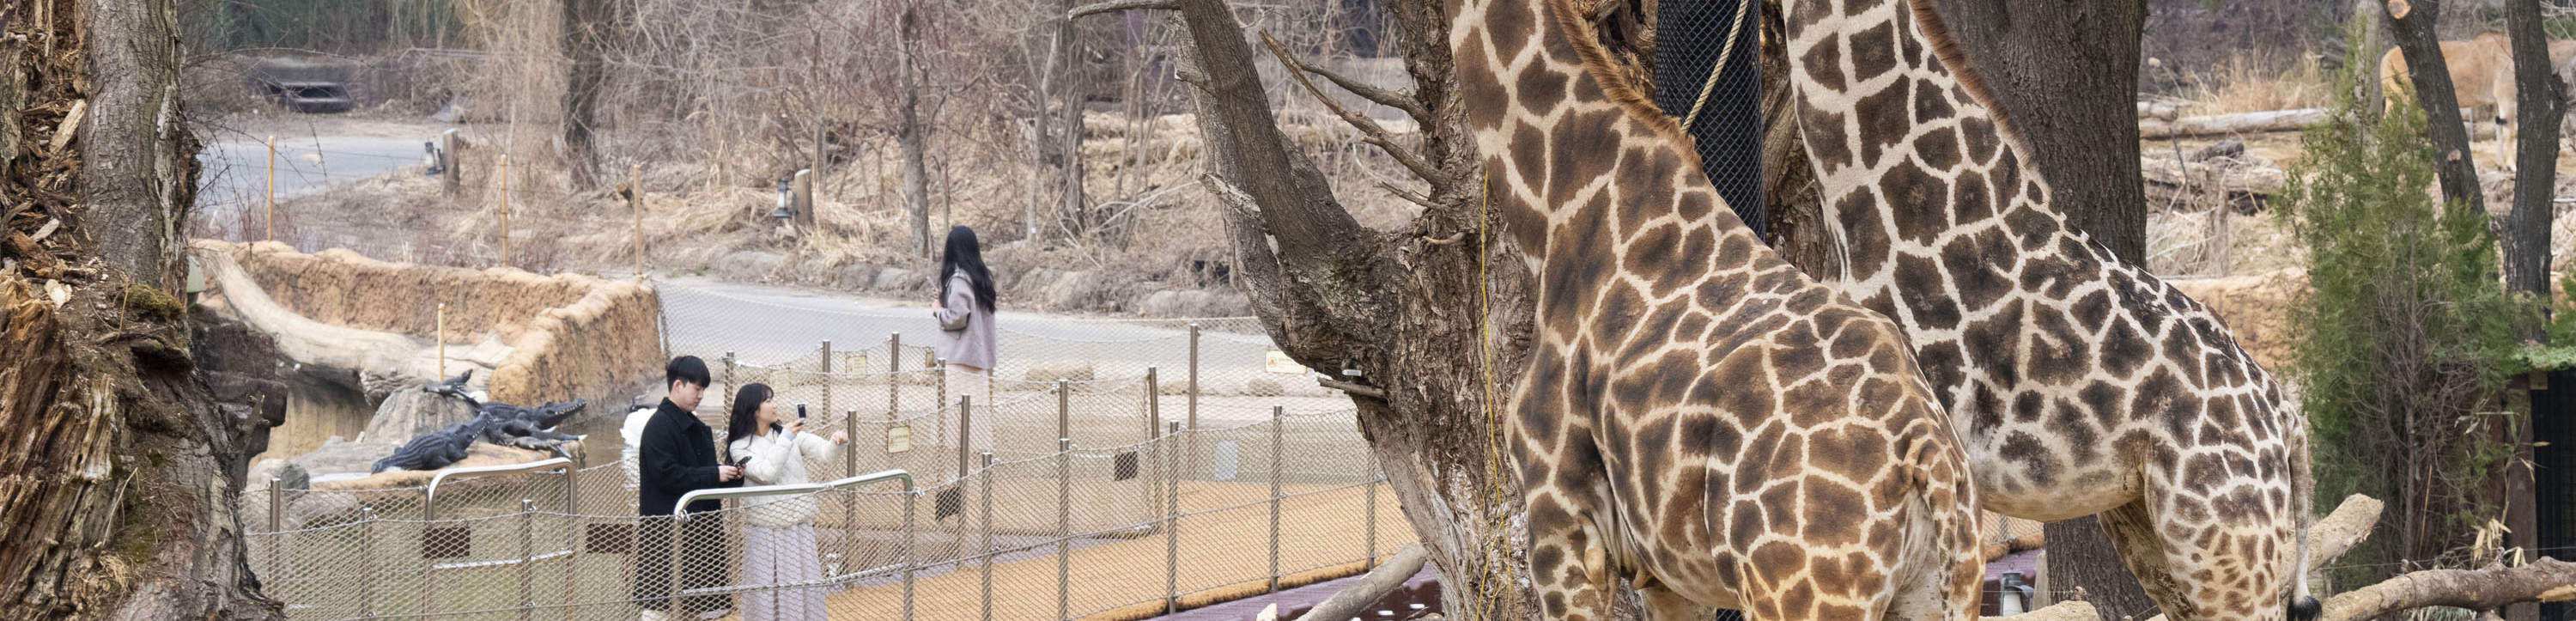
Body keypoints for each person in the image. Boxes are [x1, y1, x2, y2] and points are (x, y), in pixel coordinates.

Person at [722, 384, 849, 621]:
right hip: (766, 531)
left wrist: (837, 442)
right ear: (754, 410)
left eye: (773, 399)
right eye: (768, 401)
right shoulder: (740, 447)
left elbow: (824, 453)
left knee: (802, 587)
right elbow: (766, 472)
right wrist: (787, 438)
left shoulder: (788, 434)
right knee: (767, 590)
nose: (774, 405)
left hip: (797, 526)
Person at [633, 356, 744, 621]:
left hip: (699, 533)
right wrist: (714, 473)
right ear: (678, 386)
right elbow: (667, 475)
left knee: (699, 609)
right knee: (660, 610)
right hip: (668, 533)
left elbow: (701, 471)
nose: (702, 395)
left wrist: (731, 475)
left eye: (704, 389)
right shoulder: (659, 426)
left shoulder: (695, 427)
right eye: (697, 388)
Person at [933, 226, 998, 453]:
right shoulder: (983, 278)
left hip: (959, 359)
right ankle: (975, 466)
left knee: (955, 419)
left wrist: (938, 310)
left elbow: (957, 318)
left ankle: (956, 473)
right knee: (976, 418)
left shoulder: (959, 280)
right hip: (979, 359)